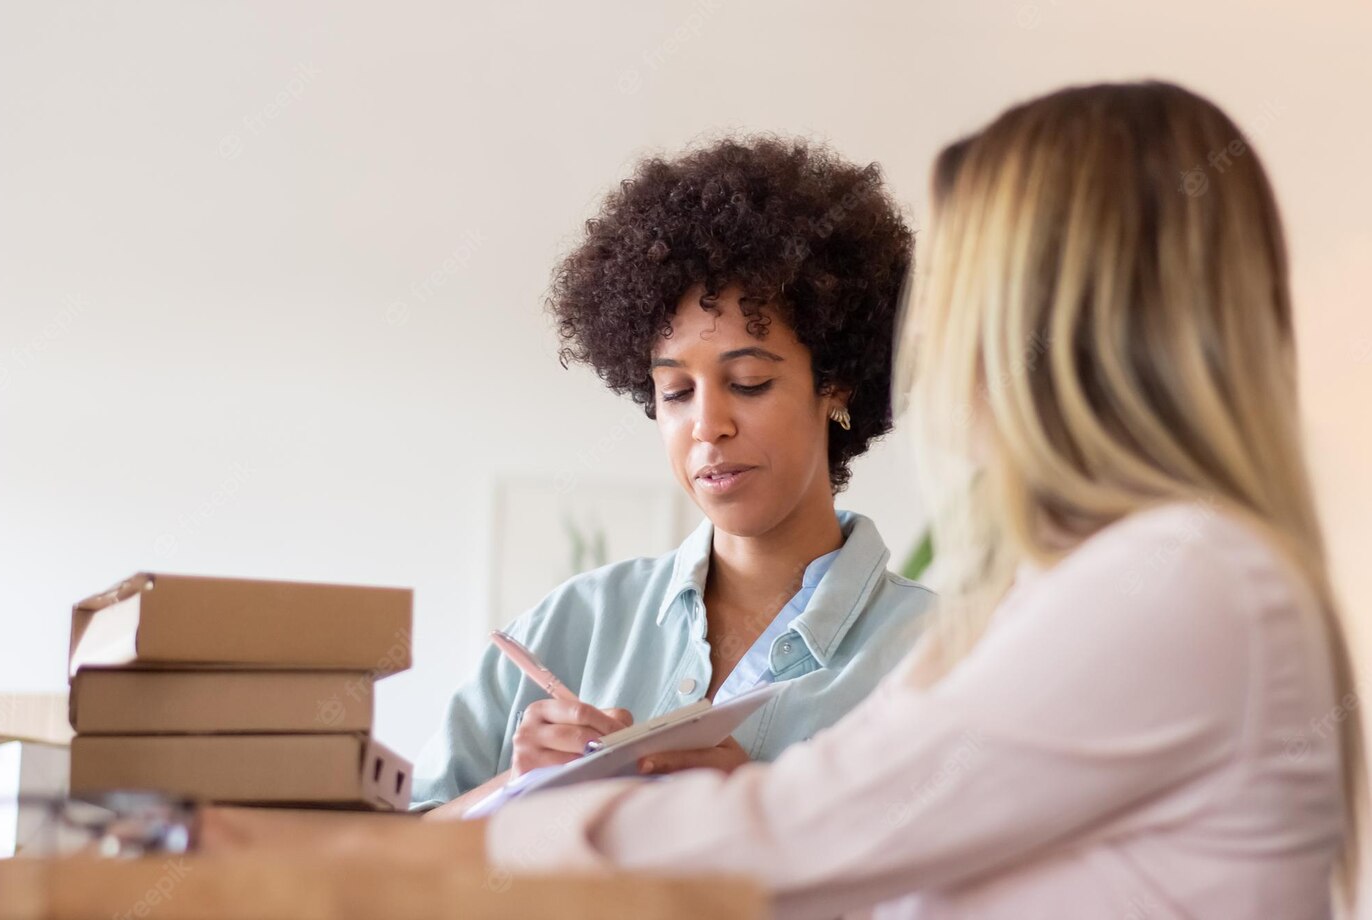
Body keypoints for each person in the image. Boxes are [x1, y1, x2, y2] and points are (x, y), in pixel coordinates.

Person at [469, 82, 1366, 919]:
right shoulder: (1079, 589)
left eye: (961, 284)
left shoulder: (1182, 580)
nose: (934, 338)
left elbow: (813, 830)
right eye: (676, 391)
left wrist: (511, 836)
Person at [412, 136, 934, 815]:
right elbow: (388, 860)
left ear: (835, 384)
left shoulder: (935, 655)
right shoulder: (574, 625)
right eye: (677, 393)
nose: (706, 426)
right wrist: (517, 788)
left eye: (748, 382)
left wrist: (764, 817)